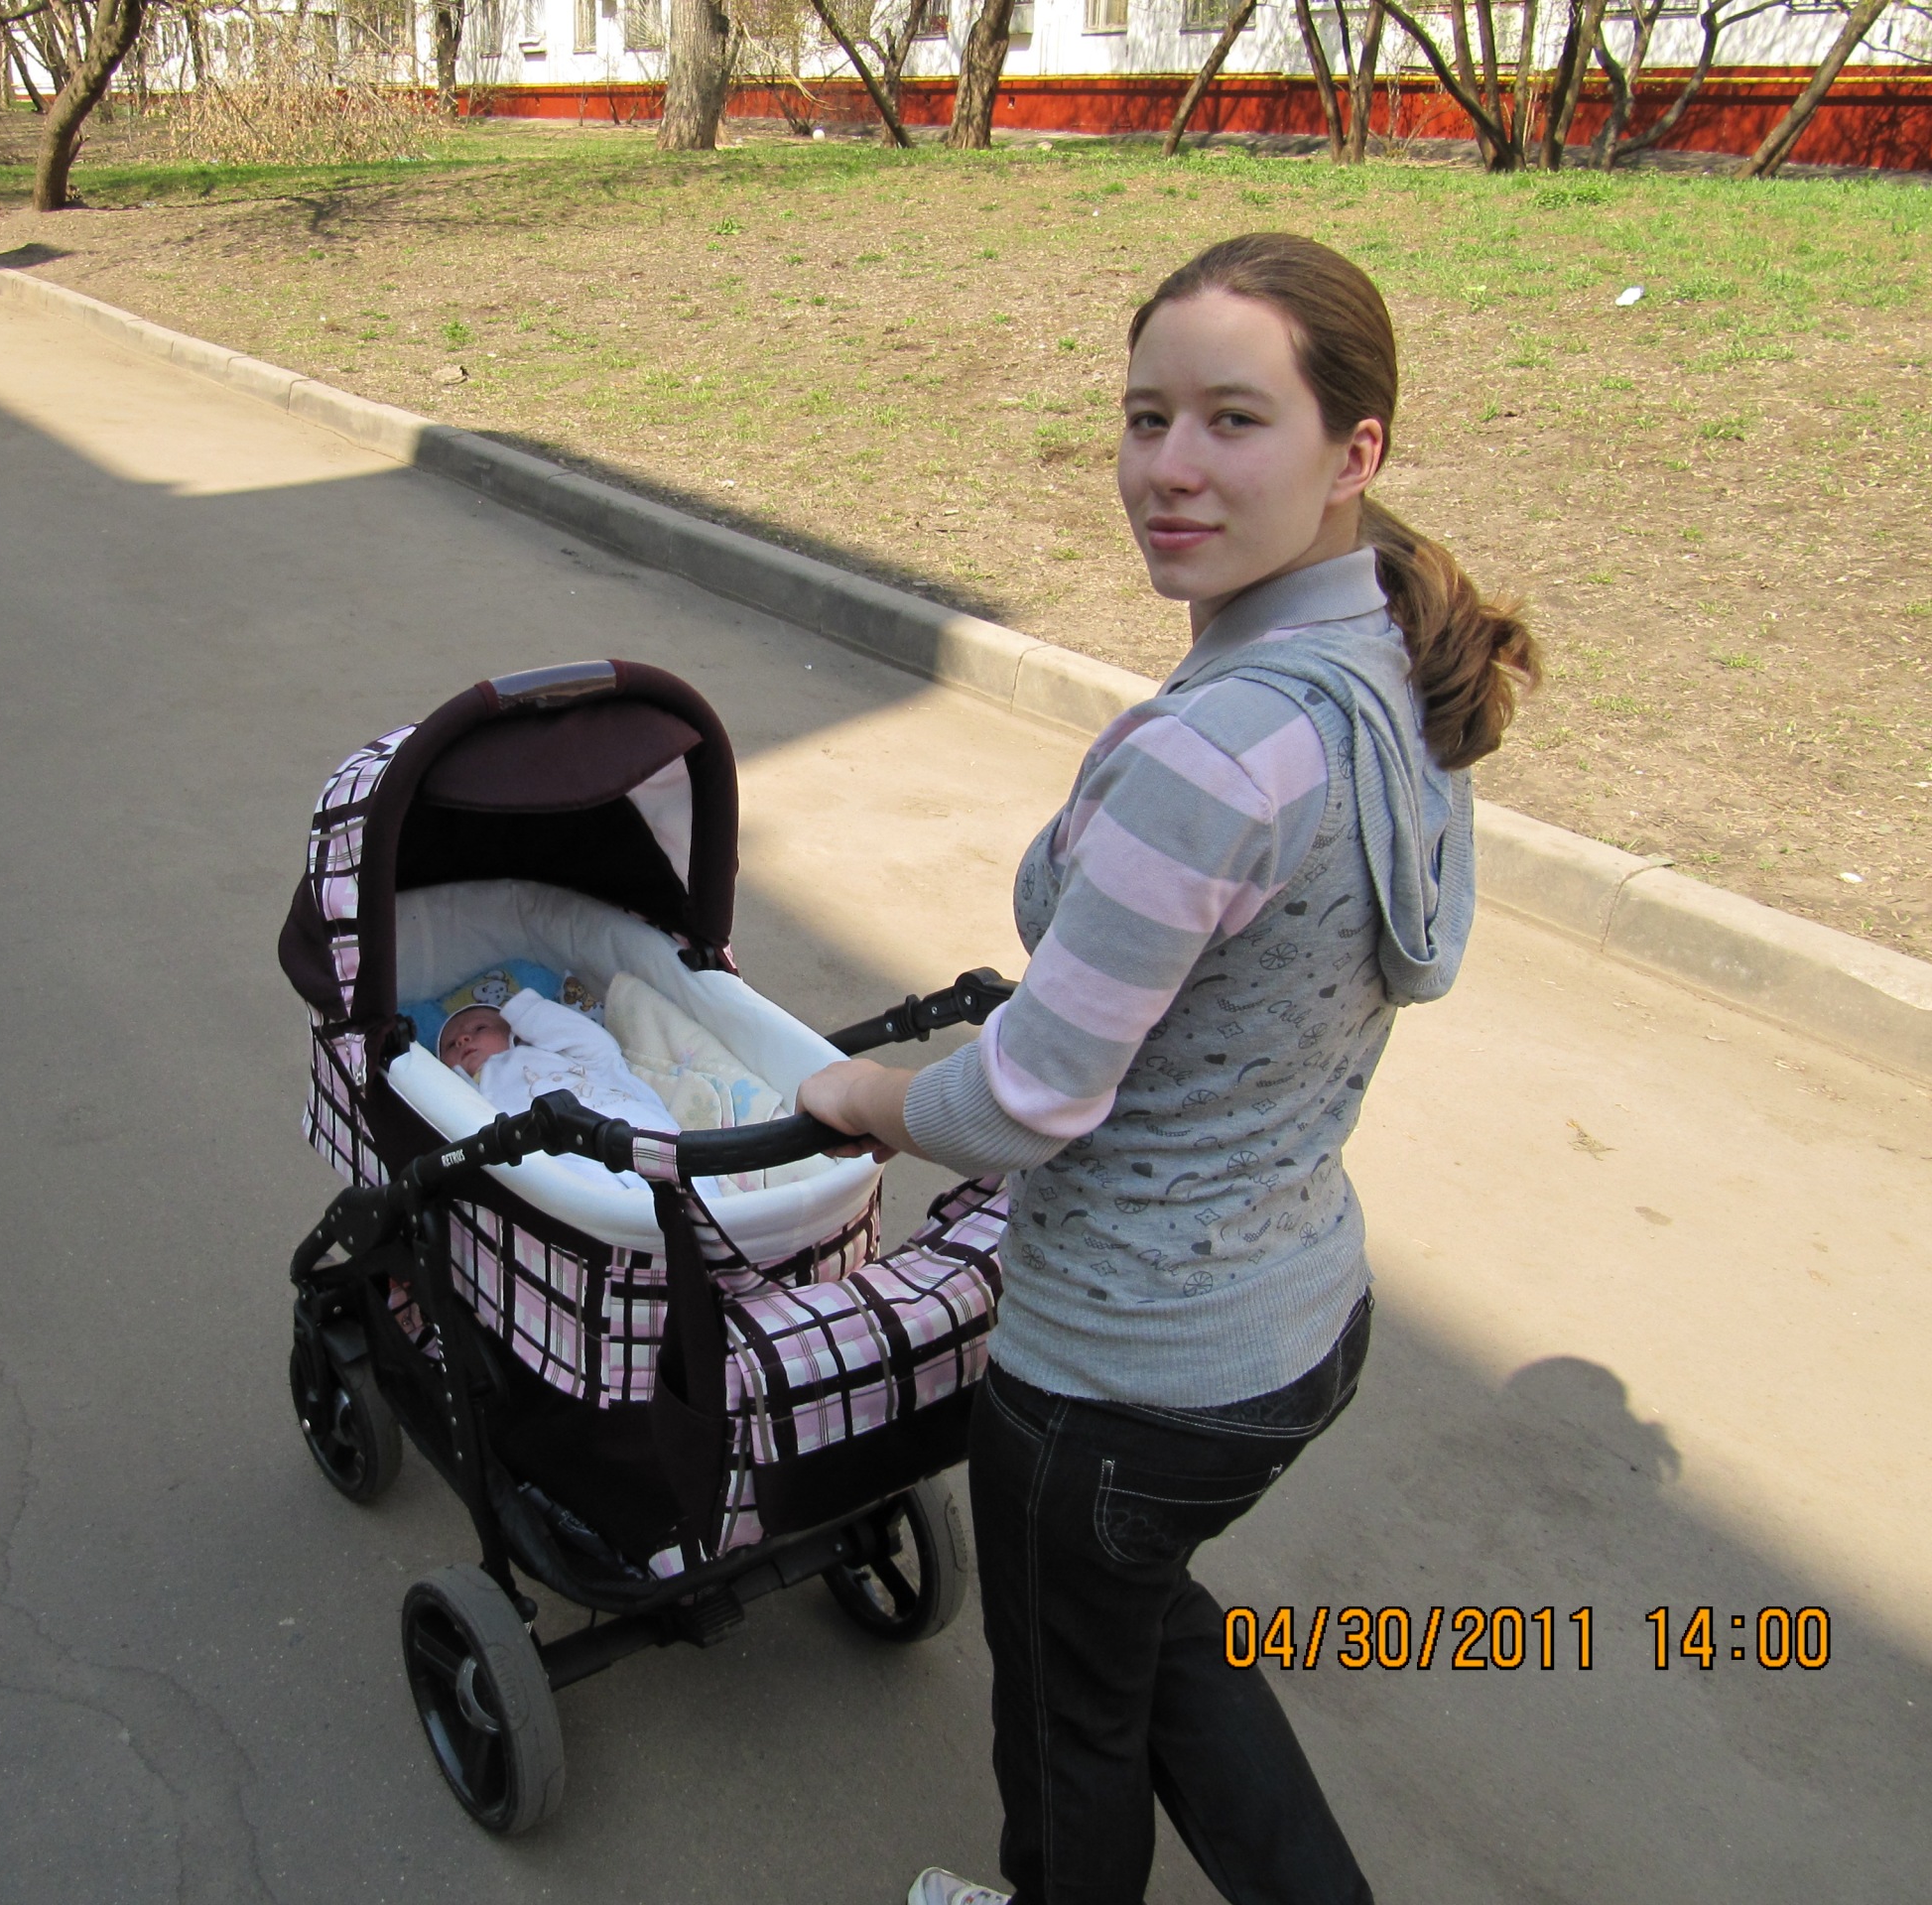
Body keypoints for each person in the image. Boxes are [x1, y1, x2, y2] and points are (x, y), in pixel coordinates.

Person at [797, 232, 1541, 1905]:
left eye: (1233, 420)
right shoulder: (1394, 661)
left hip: (1118, 1372)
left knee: (1070, 1724)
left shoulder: (1219, 752)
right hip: (1297, 1317)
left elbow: (1026, 1099)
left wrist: (861, 1101)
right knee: (1134, 1621)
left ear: (1353, 452)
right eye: (1147, 419)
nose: (1169, 470)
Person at [440, 990, 679, 1132]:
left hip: (615, 1114)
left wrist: (526, 1012)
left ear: (514, 1030)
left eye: (480, 1028)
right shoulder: (469, 1092)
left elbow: (596, 1045)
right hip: (554, 1146)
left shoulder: (549, 1051)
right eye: (450, 1045)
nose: (462, 1039)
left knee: (656, 1136)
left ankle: (691, 1188)